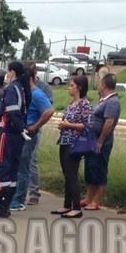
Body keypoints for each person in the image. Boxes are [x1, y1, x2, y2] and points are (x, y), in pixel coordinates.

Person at [0, 61, 29, 217]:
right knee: (11, 170)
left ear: (12, 72)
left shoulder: (11, 89)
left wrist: (19, 127)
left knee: (1, 168)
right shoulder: (22, 88)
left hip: (7, 133)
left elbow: (11, 111)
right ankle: (5, 206)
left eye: (8, 71)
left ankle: (1, 207)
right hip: (16, 135)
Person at [11, 62, 54, 212]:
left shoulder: (36, 93)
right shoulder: (25, 93)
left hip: (29, 135)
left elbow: (48, 111)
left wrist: (35, 126)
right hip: (20, 134)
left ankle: (19, 199)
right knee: (17, 166)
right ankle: (15, 195)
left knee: (24, 166)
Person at [54, 75, 93, 217]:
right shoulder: (71, 104)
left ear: (79, 88)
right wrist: (63, 125)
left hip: (75, 143)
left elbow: (86, 125)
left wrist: (68, 125)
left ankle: (76, 207)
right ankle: (67, 204)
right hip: (64, 140)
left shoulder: (85, 104)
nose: (69, 88)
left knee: (72, 174)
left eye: (72, 85)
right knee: (66, 174)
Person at [82, 73, 121, 212]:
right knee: (90, 168)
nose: (98, 85)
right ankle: (88, 197)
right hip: (92, 139)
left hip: (101, 141)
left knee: (99, 170)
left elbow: (109, 122)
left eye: (99, 83)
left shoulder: (113, 102)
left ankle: (96, 200)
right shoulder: (103, 100)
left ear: (104, 85)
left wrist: (100, 141)